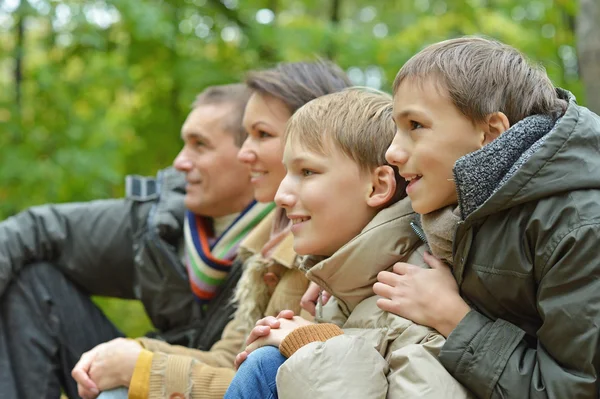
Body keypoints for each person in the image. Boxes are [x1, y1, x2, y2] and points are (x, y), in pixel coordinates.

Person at [73, 60, 352, 399]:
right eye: (245, 135)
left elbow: (269, 384)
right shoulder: (269, 243)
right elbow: (229, 359)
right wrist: (129, 351)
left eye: (262, 135)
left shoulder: (331, 252)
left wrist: (143, 367)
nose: (244, 152)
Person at [0, 83, 271, 399]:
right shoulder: (160, 224)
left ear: (249, 155)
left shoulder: (289, 237)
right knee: (34, 282)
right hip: (152, 377)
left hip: (214, 384)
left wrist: (138, 360)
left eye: (200, 145)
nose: (180, 162)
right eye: (185, 144)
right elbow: (35, 228)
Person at [375, 36, 600, 398]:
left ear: (491, 134)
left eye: (415, 125)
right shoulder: (458, 200)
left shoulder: (581, 227)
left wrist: (452, 317)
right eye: (396, 129)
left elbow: (572, 390)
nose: (392, 152)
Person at [224, 88, 471, 398]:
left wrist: (311, 344)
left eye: (307, 172)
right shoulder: (338, 295)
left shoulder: (419, 296)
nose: (281, 195)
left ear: (378, 186)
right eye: (288, 172)